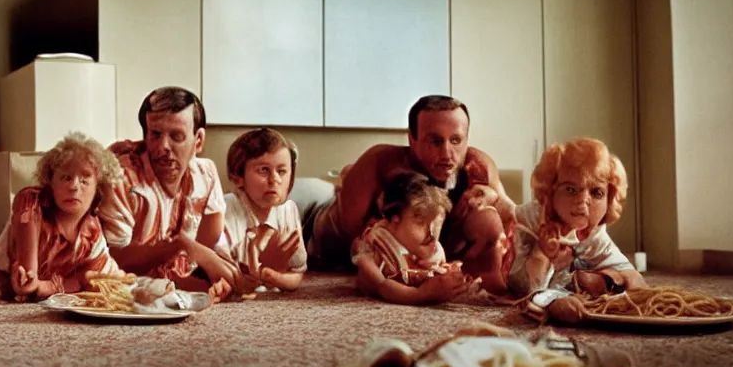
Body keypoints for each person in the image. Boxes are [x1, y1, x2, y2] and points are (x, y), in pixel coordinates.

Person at [297, 95, 517, 295]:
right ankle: (342, 175)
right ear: (412, 139)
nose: (447, 154)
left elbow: (513, 219)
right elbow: (350, 234)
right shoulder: (379, 162)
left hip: (420, 253)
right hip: (314, 223)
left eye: (456, 140)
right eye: (436, 141)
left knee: (487, 217)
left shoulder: (478, 167)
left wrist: (493, 200)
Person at [100, 87, 238, 300]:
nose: (163, 146)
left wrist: (217, 274)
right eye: (155, 134)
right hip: (127, 291)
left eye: (176, 136)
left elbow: (209, 245)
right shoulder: (120, 178)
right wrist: (179, 244)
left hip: (177, 287)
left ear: (198, 141)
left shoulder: (206, 173)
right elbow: (114, 259)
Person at [0, 132, 125, 301]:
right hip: (4, 292)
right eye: (65, 178)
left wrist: (45, 286)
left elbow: (86, 280)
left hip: (53, 300)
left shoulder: (93, 232)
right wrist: (30, 280)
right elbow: (27, 271)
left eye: (84, 181)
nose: (73, 187)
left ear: (97, 188)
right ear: (50, 182)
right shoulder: (30, 204)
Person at [507, 137, 645, 298]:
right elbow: (522, 286)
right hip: (518, 274)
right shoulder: (532, 216)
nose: (583, 200)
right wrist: (544, 255)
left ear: (609, 200)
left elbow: (635, 280)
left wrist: (620, 279)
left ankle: (598, 282)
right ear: (551, 192)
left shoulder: (595, 236)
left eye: (596, 193)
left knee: (623, 277)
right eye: (571, 190)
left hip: (566, 277)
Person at [352, 172, 471, 305]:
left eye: (436, 224)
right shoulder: (376, 249)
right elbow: (382, 287)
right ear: (395, 219)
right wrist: (420, 295)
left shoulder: (427, 242)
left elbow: (442, 268)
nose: (431, 233)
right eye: (421, 223)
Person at [220, 128, 306, 295]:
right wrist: (260, 273)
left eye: (282, 171)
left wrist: (273, 277)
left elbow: (297, 274)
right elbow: (226, 278)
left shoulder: (288, 211)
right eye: (263, 170)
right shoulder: (226, 210)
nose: (275, 180)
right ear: (238, 178)